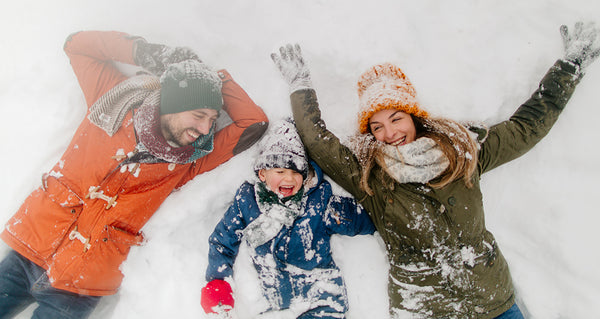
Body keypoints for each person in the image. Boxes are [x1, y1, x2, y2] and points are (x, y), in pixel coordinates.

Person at [270, 22, 600, 318]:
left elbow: (525, 128)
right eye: (377, 127)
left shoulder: (462, 152)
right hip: (423, 307)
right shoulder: (370, 177)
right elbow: (317, 141)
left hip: (491, 300)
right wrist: (300, 85)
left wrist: (568, 68)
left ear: (413, 117)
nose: (390, 134)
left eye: (396, 118)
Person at [0, 30, 268, 318]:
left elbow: (253, 122)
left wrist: (215, 78)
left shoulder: (191, 159)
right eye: (199, 115)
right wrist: (145, 53)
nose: (205, 129)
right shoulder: (113, 101)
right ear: (172, 103)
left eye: (212, 119)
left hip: (80, 289)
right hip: (27, 252)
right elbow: (76, 46)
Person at [200, 119, 376, 318]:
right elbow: (223, 239)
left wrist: (384, 219)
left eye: (296, 172)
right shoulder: (247, 202)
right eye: (280, 171)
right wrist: (218, 279)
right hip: (273, 301)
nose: (289, 178)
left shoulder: (318, 202)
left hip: (320, 297)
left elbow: (364, 219)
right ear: (263, 174)